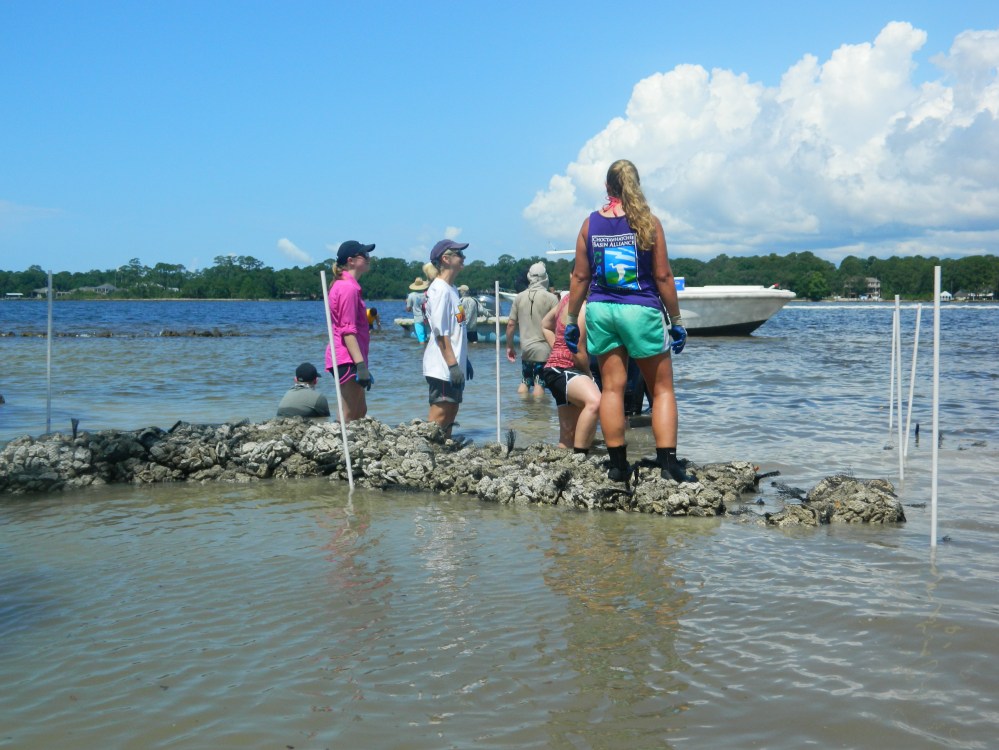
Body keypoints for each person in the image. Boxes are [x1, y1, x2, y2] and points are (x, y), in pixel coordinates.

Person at [564, 159, 693, 483]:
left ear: (607, 187)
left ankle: (618, 466)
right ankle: (669, 465)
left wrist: (569, 319)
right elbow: (663, 275)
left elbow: (580, 276)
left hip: (601, 310)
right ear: (637, 184)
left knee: (611, 389)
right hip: (640, 310)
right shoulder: (649, 223)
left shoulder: (589, 224)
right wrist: (675, 320)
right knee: (661, 389)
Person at [422, 239, 470, 437]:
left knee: (452, 410)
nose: (463, 257)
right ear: (446, 258)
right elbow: (441, 333)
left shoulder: (452, 289)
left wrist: (464, 359)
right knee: (440, 413)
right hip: (442, 366)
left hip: (454, 362)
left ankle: (444, 450)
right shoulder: (440, 289)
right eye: (459, 254)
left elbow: (456, 328)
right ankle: (425, 452)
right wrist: (452, 365)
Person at [541, 296, 601, 453]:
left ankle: (559, 465)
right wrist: (589, 376)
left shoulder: (566, 300)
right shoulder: (581, 306)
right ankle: (580, 456)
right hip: (565, 369)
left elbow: (545, 325)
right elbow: (578, 349)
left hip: (554, 369)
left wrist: (556, 348)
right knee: (595, 402)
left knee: (568, 437)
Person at [325, 240, 375, 422]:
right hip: (347, 358)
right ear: (351, 260)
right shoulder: (347, 288)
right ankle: (341, 446)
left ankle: (353, 447)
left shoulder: (349, 285)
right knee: (349, 412)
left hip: (352, 356)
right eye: (365, 255)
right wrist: (360, 365)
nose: (369, 259)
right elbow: (347, 330)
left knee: (360, 410)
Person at [505, 262, 559, 396]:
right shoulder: (552, 298)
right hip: (544, 349)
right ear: (544, 278)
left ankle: (524, 411)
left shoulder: (519, 297)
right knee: (540, 383)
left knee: (525, 381)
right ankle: (538, 414)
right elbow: (560, 325)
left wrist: (510, 346)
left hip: (526, 349)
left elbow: (511, 324)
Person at [405, 277, 430, 342]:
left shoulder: (411, 295)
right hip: (426, 317)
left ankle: (421, 351)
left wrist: (407, 303)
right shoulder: (426, 294)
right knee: (425, 337)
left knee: (421, 339)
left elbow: (408, 309)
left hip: (418, 318)